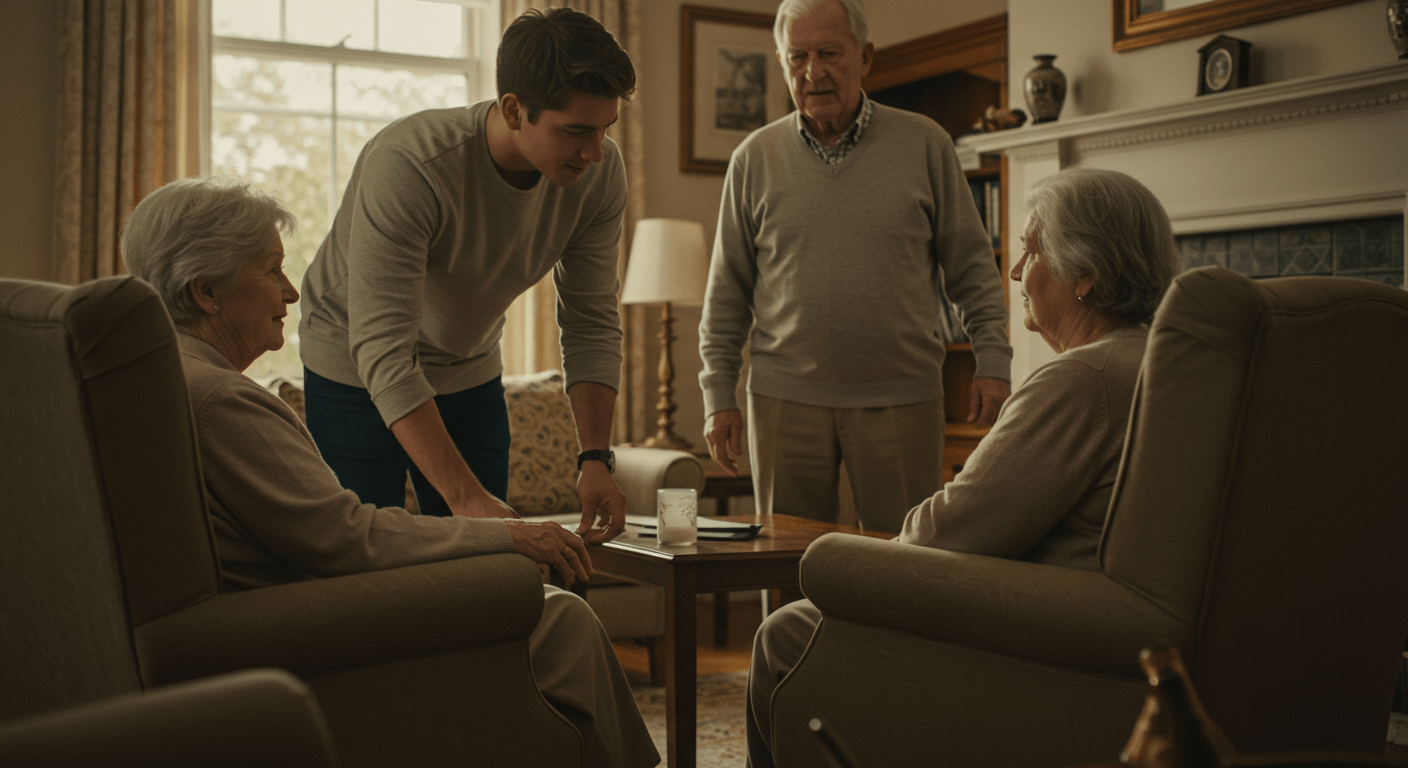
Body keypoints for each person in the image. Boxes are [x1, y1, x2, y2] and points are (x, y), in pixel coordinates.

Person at [120, 177, 660, 768]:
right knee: (558, 615)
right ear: (206, 292)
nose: (292, 293)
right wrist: (509, 535)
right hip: (317, 629)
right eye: (272, 270)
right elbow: (348, 538)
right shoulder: (220, 399)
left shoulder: (157, 381)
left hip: (260, 621)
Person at [744, 167, 1178, 768]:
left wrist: (860, 564)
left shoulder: (1085, 378)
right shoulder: (1170, 365)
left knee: (786, 633)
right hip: (1111, 637)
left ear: (1087, 275)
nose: (1018, 270)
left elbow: (943, 535)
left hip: (1033, 643)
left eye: (1032, 249)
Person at [297, 8, 634, 541]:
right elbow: (382, 350)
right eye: (576, 131)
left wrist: (595, 459)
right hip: (352, 362)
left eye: (604, 130)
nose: (595, 152)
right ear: (514, 109)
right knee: (364, 559)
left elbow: (591, 319)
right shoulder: (410, 164)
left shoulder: (600, 172)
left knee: (486, 563)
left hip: (466, 364)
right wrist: (464, 498)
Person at [698, 0, 1012, 534]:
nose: (813, 71)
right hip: (783, 400)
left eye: (829, 53)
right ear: (781, 62)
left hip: (903, 396)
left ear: (865, 57)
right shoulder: (753, 158)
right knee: (786, 571)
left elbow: (972, 267)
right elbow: (727, 292)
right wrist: (717, 397)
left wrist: (994, 359)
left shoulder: (926, 144)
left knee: (903, 568)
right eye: (796, 56)